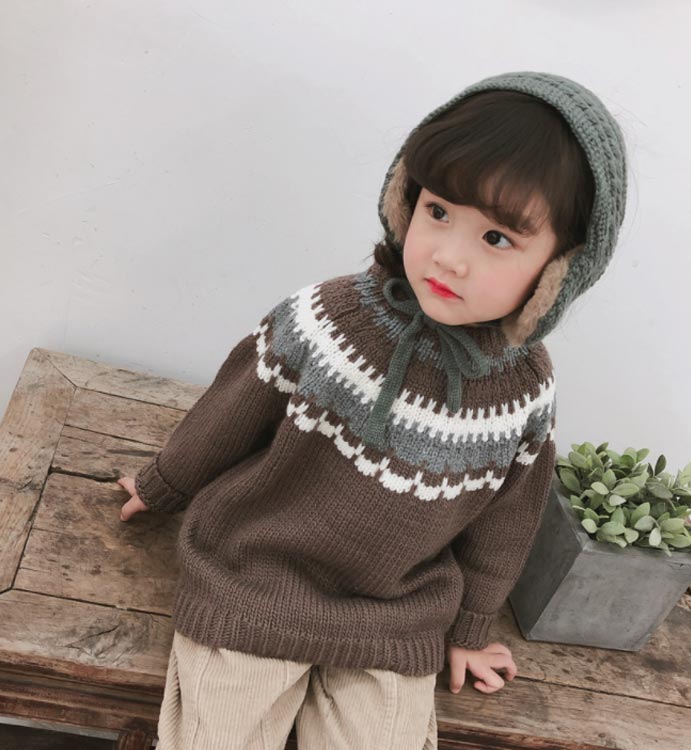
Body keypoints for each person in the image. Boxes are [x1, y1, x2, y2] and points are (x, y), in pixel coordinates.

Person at [117, 70, 628, 750]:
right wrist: (163, 483)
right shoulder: (328, 319)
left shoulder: (524, 393)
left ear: (561, 271)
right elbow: (233, 408)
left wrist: (471, 629)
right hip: (256, 574)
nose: (449, 257)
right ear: (404, 196)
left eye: (497, 239)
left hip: (395, 611)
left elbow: (507, 519)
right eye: (438, 211)